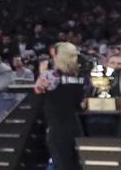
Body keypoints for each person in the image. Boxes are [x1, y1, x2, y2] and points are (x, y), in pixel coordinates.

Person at [34, 42, 86, 170]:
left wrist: (42, 72)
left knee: (62, 164)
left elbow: (38, 91)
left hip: (58, 127)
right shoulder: (81, 76)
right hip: (77, 126)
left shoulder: (50, 76)